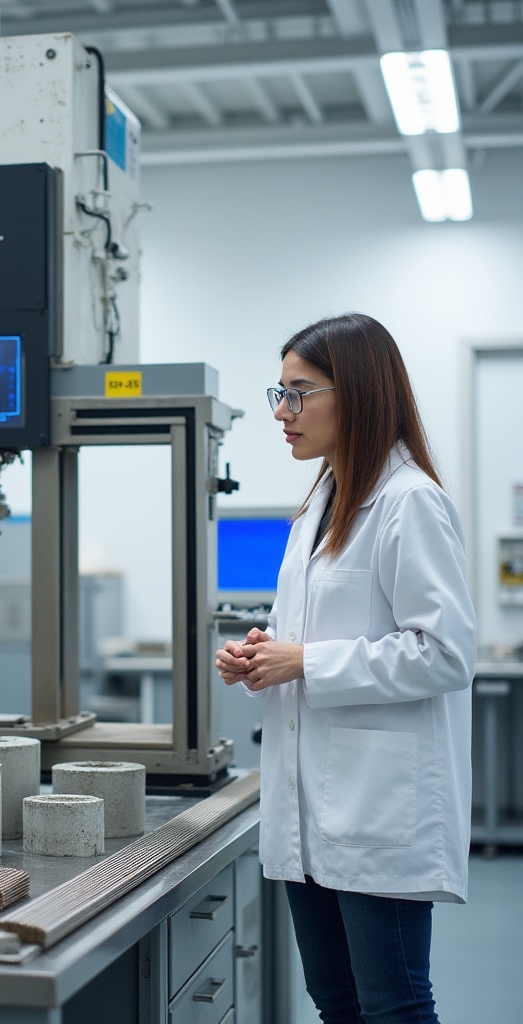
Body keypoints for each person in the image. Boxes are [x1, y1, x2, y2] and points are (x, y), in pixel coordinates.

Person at [215, 313, 476, 1024]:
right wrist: (261, 655)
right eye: (280, 392)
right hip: (310, 807)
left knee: (392, 1006)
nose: (282, 412)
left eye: (298, 392)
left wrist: (306, 661)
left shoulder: (408, 502)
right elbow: (317, 635)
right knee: (335, 1003)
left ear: (355, 393)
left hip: (377, 806)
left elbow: (447, 652)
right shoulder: (318, 509)